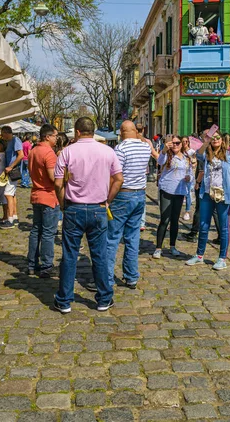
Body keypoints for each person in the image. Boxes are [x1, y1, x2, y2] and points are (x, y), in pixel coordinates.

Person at [53, 117, 123, 314]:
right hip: (98, 208)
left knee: (69, 255)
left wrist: (62, 204)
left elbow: (58, 183)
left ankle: (65, 300)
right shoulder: (107, 151)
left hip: (74, 207)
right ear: (93, 131)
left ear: (76, 132)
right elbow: (119, 179)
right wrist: (108, 200)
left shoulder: (67, 151)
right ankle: (103, 298)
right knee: (99, 255)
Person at [107, 121, 153, 290]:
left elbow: (115, 176)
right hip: (139, 194)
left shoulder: (120, 149)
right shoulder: (146, 147)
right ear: (135, 131)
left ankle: (108, 277)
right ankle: (131, 276)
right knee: (133, 238)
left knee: (112, 237)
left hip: (123, 194)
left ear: (121, 132)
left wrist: (108, 198)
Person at [186, 130, 230, 270]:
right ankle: (199, 255)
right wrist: (206, 140)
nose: (215, 140)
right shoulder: (206, 154)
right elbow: (197, 154)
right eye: (213, 138)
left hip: (224, 194)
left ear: (222, 140)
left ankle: (222, 258)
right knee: (203, 225)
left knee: (223, 227)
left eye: (217, 138)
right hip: (207, 193)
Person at [27, 124, 60, 277]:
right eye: (55, 135)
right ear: (47, 137)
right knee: (48, 232)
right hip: (48, 195)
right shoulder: (49, 153)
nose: (57, 138)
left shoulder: (33, 151)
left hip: (36, 194)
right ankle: (46, 266)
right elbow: (53, 178)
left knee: (36, 231)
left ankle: (32, 264)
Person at [154, 135, 193, 258]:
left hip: (180, 191)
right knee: (165, 219)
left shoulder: (186, 158)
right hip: (167, 189)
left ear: (182, 144)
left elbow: (191, 173)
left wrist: (189, 178)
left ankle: (172, 246)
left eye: (177, 143)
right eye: (173, 143)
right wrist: (165, 149)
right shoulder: (167, 156)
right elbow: (160, 161)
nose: (175, 145)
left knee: (175, 220)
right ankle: (158, 248)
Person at [0, 125, 24, 229]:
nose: (1, 136)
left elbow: (21, 155)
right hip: (11, 171)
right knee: (12, 194)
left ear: (6, 132)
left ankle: (10, 220)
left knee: (8, 194)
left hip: (13, 171)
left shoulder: (15, 140)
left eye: (2, 134)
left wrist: (11, 166)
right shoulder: (10, 142)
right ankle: (14, 216)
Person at [182, 136, 196, 222]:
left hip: (188, 174)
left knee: (187, 194)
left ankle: (187, 211)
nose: (184, 143)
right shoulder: (179, 151)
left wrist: (190, 159)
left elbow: (194, 164)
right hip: (179, 175)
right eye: (182, 142)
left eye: (186, 141)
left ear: (188, 142)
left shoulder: (192, 152)